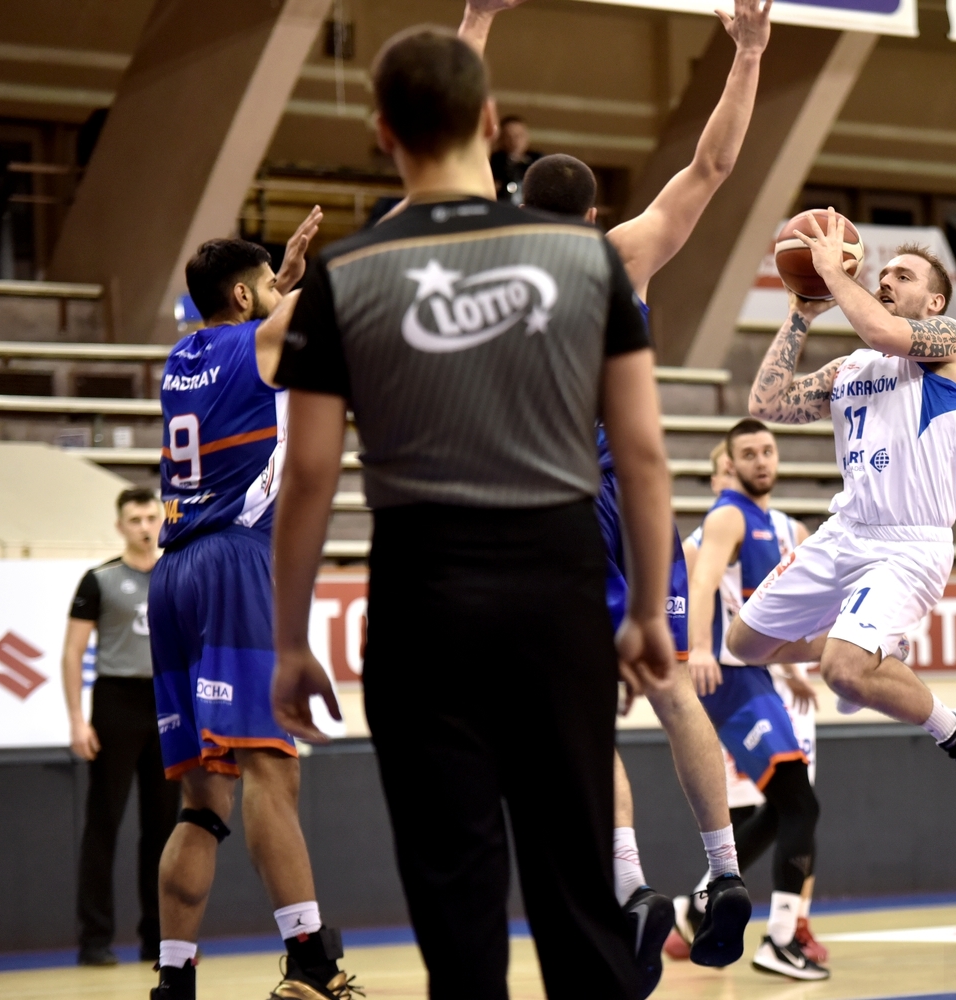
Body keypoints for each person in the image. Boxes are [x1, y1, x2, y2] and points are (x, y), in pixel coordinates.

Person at [268, 26, 676, 1000]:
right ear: (490, 122)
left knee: (456, 900)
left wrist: (288, 640)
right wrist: (646, 610)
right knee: (577, 887)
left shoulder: (342, 275)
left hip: (421, 598)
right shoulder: (586, 260)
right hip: (559, 586)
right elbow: (645, 454)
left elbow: (310, 475)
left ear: (382, 133)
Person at [456, 0, 773, 981]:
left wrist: (476, 19)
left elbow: (450, 135)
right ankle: (724, 870)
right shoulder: (624, 254)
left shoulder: (497, 251)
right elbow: (713, 166)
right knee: (671, 685)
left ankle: (631, 883)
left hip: (550, 503)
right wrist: (749, 52)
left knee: (582, 708)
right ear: (595, 214)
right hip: (632, 500)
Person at [728, 215, 956, 816]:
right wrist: (801, 314)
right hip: (845, 533)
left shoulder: (952, 345)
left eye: (903, 276)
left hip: (909, 546)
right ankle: (876, 643)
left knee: (842, 671)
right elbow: (767, 403)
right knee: (745, 643)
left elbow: (885, 332)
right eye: (883, 274)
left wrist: (833, 272)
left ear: (934, 301)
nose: (886, 280)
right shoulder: (850, 369)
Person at [146, 207, 348, 1000]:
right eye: (265, 283)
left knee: (202, 803)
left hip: (174, 572)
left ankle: (174, 978)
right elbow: (326, 301)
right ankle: (310, 962)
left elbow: (259, 323)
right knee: (271, 768)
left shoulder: (181, 356)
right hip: (234, 560)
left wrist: (277, 279)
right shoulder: (259, 343)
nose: (278, 290)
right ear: (241, 296)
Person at [672, 419, 826, 979]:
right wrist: (697, 649)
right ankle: (781, 937)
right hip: (729, 681)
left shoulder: (773, 523)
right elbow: (699, 584)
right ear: (728, 466)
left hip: (757, 677)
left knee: (785, 807)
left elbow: (773, 615)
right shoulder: (727, 517)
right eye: (748, 453)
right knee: (798, 804)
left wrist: (796, 666)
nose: (761, 461)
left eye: (769, 450)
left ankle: (703, 904)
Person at [63, 487, 178, 968]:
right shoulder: (100, 580)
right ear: (120, 526)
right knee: (104, 824)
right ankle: (95, 939)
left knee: (163, 828)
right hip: (116, 702)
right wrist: (77, 719)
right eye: (135, 519)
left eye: (151, 517)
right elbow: (72, 653)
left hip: (165, 701)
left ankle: (159, 940)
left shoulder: (176, 573)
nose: (145, 527)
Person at [490, 114, 541, 204]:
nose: (514, 141)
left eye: (519, 136)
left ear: (527, 136)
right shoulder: (493, 163)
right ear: (501, 139)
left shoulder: (538, 161)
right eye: (508, 137)